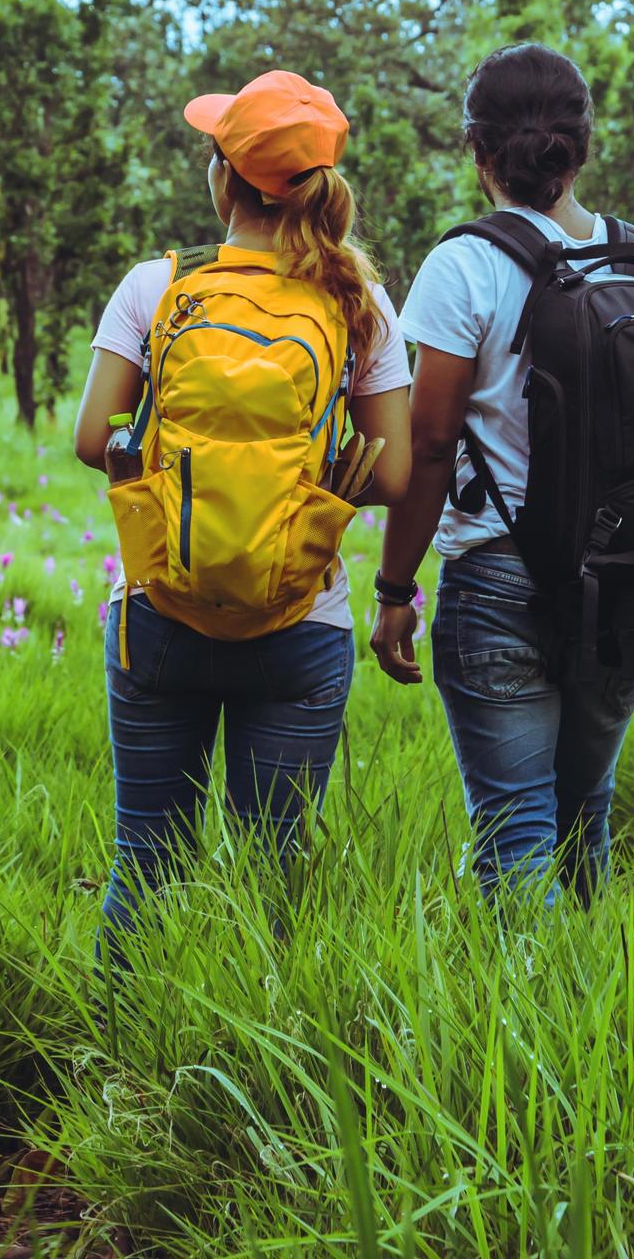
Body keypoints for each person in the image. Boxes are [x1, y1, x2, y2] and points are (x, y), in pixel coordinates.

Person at [73, 69, 409, 946]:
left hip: (159, 611)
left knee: (144, 862)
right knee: (272, 879)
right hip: (302, 620)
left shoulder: (159, 285)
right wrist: (304, 496)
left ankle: (116, 1064)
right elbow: (398, 472)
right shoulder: (358, 301)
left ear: (225, 179)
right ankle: (255, 1069)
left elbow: (90, 437)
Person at [371, 43, 634, 902]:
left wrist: (394, 587)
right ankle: (595, 1021)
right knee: (584, 816)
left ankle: (528, 1032)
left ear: (474, 146)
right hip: (628, 583)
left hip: (499, 578)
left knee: (517, 837)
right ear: (584, 144)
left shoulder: (467, 264)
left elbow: (432, 442)